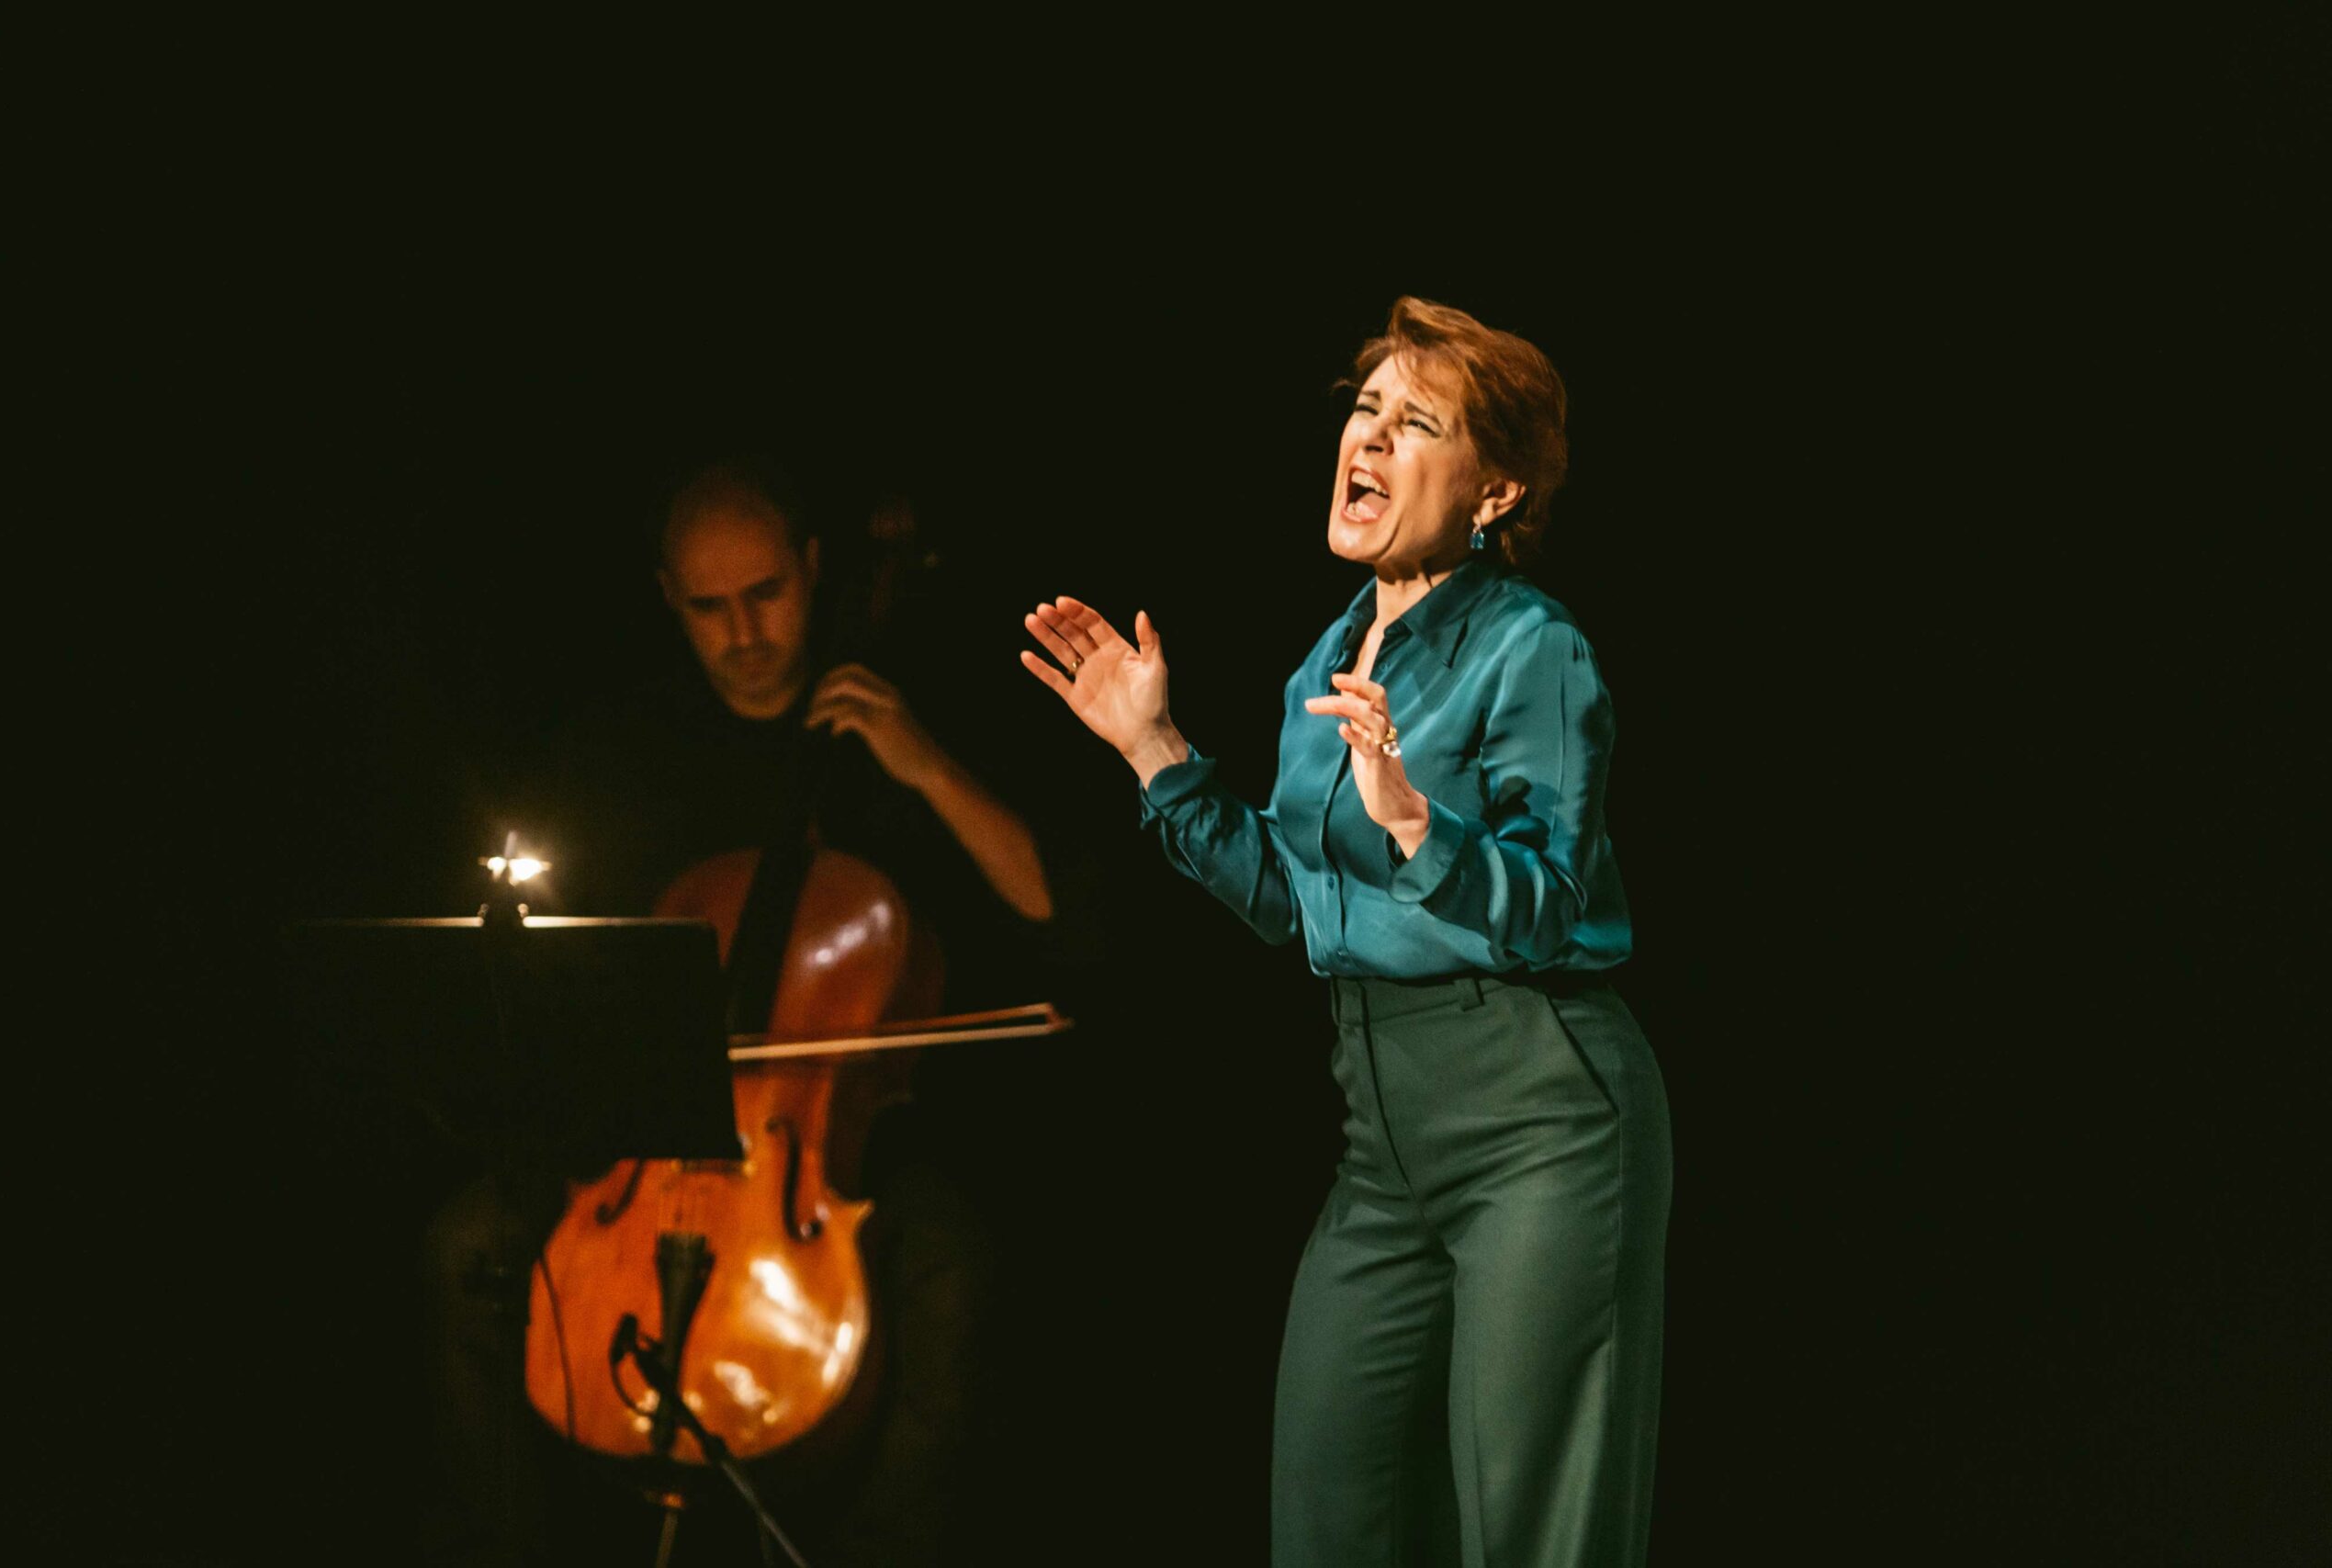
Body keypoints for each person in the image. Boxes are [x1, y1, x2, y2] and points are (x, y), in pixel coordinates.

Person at [1021, 297, 1673, 1566]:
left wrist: (1420, 825)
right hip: (1383, 1146)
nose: (1367, 439)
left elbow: (1551, 904)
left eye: (1416, 422)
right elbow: (1290, 898)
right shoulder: (1328, 657)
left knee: (1534, 1530)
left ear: (1494, 491)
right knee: (1329, 1512)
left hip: (1539, 1123)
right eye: (1366, 408)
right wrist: (1153, 748)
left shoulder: (1532, 648)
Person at [423, 460, 1052, 1567]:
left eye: (766, 594)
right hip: (642, 1136)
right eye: (709, 608)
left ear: (811, 570)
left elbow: (1047, 902)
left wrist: (925, 769)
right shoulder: (621, 753)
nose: (744, 633)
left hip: (828, 1146)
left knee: (952, 1262)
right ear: (668, 598)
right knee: (464, 1247)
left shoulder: (891, 726)